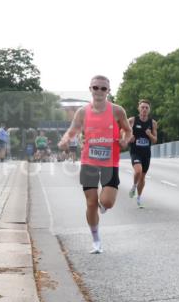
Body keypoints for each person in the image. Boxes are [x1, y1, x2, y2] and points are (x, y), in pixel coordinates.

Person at [58, 75, 131, 254]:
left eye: (103, 88)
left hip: (110, 162)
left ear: (108, 91)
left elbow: (127, 131)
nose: (99, 91)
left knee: (107, 202)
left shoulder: (117, 111)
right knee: (91, 203)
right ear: (90, 89)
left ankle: (103, 205)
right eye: (96, 87)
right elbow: (73, 130)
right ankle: (96, 240)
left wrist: (125, 140)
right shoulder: (83, 112)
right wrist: (65, 140)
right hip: (89, 161)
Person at [128, 99, 158, 208]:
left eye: (146, 108)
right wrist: (129, 137)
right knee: (138, 171)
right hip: (135, 151)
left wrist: (149, 135)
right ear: (138, 108)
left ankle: (139, 198)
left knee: (143, 177)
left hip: (146, 153)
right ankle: (134, 186)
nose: (144, 109)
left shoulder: (152, 123)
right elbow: (123, 131)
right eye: (142, 107)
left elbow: (155, 140)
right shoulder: (132, 120)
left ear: (149, 110)